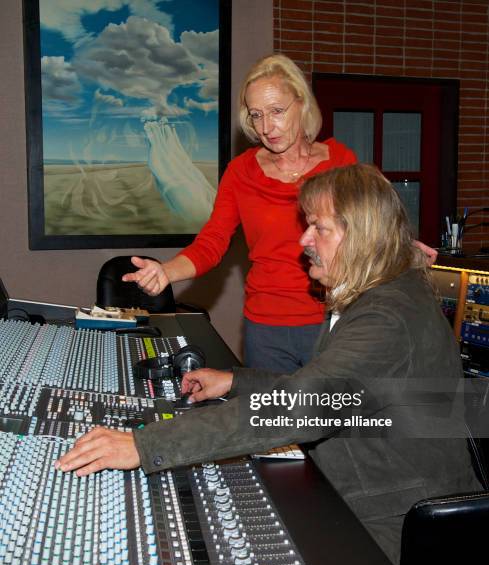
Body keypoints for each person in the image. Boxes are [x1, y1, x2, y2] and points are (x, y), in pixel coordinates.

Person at [56, 163, 479, 565]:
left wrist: (144, 445)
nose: (304, 240)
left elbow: (306, 403)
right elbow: (338, 391)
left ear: (362, 236)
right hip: (367, 491)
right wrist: (235, 381)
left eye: (320, 227)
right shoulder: (383, 293)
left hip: (396, 519)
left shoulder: (386, 317)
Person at [123, 54, 358, 373]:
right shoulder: (241, 172)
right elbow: (212, 241)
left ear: (301, 103)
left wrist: (402, 247)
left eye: (277, 112)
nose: (266, 127)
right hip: (266, 328)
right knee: (269, 421)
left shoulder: (340, 162)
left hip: (334, 321)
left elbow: (374, 224)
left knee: (331, 419)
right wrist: (167, 272)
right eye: (256, 115)